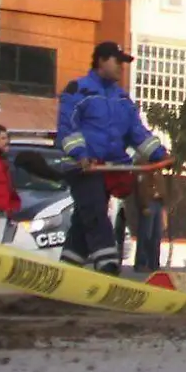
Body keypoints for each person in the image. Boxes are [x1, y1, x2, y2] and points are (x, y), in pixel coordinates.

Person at [56, 41, 168, 274]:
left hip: (108, 170)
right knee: (96, 213)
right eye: (117, 61)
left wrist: (160, 154)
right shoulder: (78, 90)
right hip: (84, 168)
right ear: (101, 61)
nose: (121, 67)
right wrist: (81, 155)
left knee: (84, 220)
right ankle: (108, 267)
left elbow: (137, 132)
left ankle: (67, 269)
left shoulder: (122, 99)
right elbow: (68, 128)